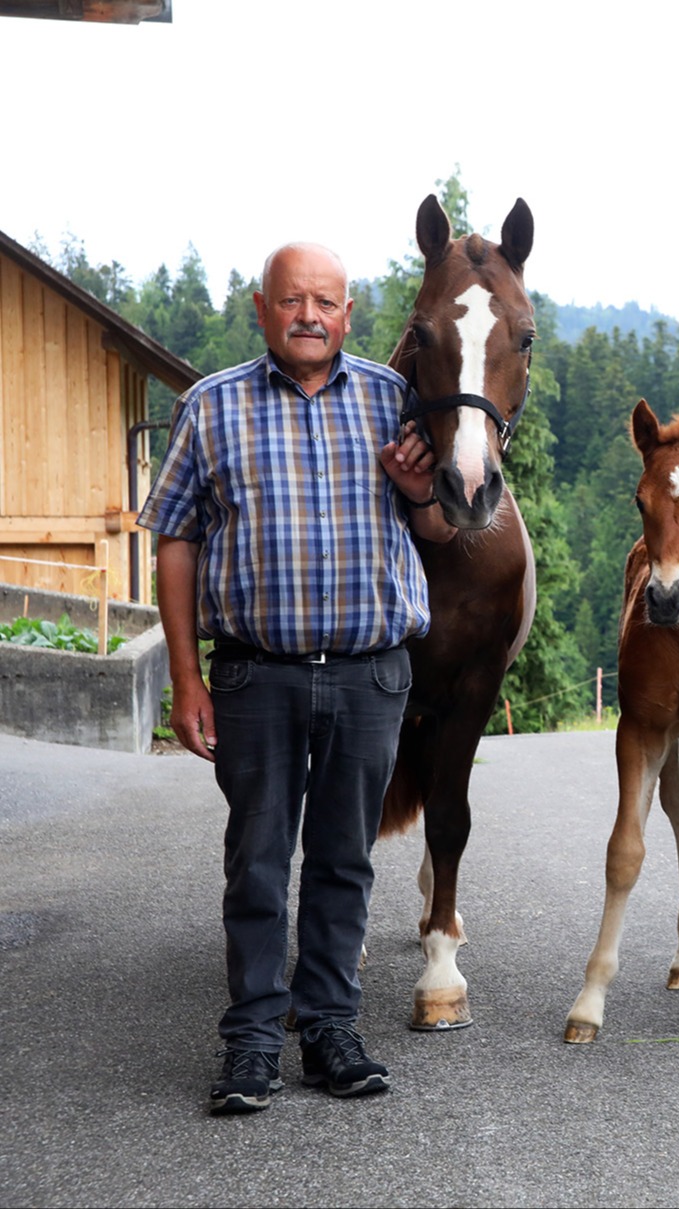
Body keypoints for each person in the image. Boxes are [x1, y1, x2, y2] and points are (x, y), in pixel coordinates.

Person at [139, 242, 456, 1115]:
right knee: (257, 861)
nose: (308, 314)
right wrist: (186, 675)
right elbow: (174, 539)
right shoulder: (210, 407)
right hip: (255, 676)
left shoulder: (394, 402)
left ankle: (330, 1029)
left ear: (349, 314)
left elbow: (435, 530)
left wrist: (418, 491)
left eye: (325, 300)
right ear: (263, 309)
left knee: (344, 861)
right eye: (292, 300)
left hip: (367, 675)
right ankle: (249, 1043)